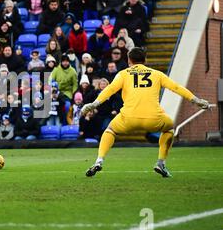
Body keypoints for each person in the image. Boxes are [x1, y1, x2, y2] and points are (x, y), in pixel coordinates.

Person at [81, 48, 210, 178]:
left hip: (128, 118)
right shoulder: (157, 74)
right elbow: (176, 87)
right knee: (169, 128)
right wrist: (195, 100)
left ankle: (99, 160)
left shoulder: (123, 74)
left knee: (110, 131)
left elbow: (111, 89)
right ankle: (161, 162)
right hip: (153, 119)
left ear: (129, 60)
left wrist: (94, 104)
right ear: (145, 60)